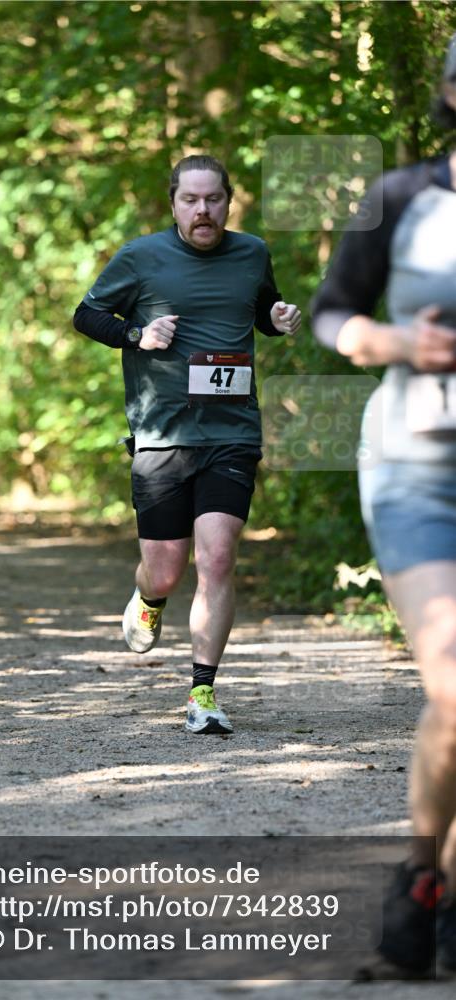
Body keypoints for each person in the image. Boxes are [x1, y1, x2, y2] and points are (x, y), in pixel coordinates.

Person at [312, 36, 456, 976]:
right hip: (420, 468)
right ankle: (418, 876)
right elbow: (329, 312)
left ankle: (434, 905)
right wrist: (390, 339)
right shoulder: (399, 198)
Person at [73, 154, 301, 734]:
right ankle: (148, 598)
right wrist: (136, 334)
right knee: (167, 570)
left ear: (229, 201)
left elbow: (261, 314)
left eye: (213, 200)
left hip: (231, 432)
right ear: (173, 202)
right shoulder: (141, 258)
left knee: (219, 556)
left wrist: (276, 318)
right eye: (191, 200)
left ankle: (203, 691)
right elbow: (86, 314)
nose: (203, 211)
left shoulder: (251, 253)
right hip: (161, 434)